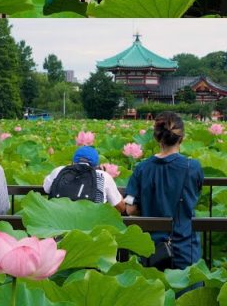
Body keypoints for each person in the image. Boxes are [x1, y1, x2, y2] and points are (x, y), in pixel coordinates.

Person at [124, 113, 204, 271]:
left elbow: (131, 209)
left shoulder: (141, 168)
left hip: (152, 249)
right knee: (188, 293)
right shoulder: (193, 167)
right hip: (186, 246)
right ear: (181, 138)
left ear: (157, 138)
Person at [42, 146, 125, 212]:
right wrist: (119, 196)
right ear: (96, 164)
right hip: (90, 226)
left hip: (59, 223)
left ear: (73, 161)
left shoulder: (60, 170)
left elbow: (46, 189)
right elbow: (120, 207)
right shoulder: (103, 176)